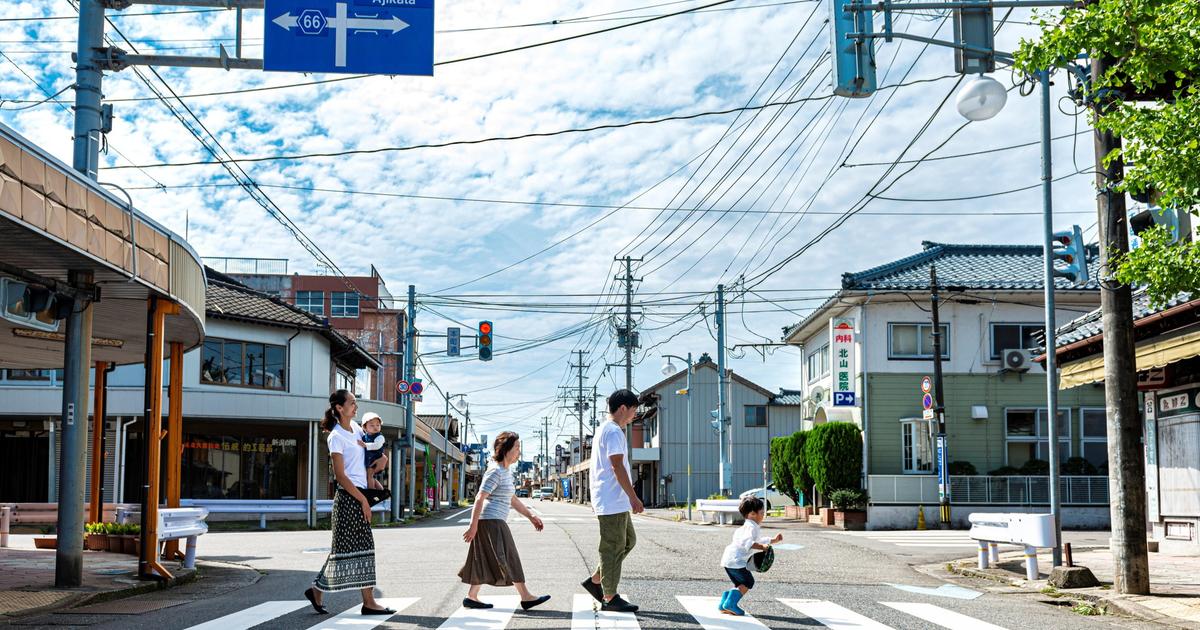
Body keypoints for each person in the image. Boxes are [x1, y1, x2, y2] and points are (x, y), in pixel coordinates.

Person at [303, 390, 396, 616]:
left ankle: (317, 590)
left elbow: (366, 459)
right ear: (339, 408)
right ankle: (368, 601)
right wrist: (363, 499)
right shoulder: (336, 436)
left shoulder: (356, 428)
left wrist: (377, 466)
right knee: (356, 547)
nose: (356, 407)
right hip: (348, 498)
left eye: (355, 403)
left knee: (345, 549)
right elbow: (340, 476)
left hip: (359, 494)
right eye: (352, 403)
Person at [458, 432, 551, 611]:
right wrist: (473, 525)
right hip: (492, 521)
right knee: (509, 556)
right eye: (516, 448)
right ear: (506, 449)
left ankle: (472, 596)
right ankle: (525, 596)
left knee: (484, 558)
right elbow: (479, 497)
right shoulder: (495, 471)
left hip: (492, 520)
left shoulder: (506, 472)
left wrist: (531, 516)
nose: (519, 452)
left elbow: (512, 499)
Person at [580, 389, 644, 613]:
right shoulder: (614, 431)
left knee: (627, 541)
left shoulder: (605, 429)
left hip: (613, 499)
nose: (634, 416)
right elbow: (616, 465)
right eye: (634, 411)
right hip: (611, 499)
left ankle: (597, 579)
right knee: (612, 547)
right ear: (623, 408)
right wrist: (633, 497)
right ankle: (609, 596)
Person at [718, 496, 782, 616]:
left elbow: (759, 539)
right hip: (736, 560)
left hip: (729, 560)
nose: (763, 515)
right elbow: (748, 542)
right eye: (762, 512)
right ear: (752, 514)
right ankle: (730, 604)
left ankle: (724, 604)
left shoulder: (748, 526)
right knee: (748, 582)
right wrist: (762, 547)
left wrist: (773, 540)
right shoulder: (751, 527)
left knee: (739, 584)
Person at [358, 412, 388, 491]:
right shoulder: (365, 437)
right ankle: (380, 490)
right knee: (370, 476)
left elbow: (377, 445)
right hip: (370, 459)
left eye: (378, 425)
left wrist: (365, 445)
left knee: (370, 476)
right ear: (365, 427)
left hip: (375, 459)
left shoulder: (380, 437)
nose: (375, 427)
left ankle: (371, 491)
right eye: (372, 425)